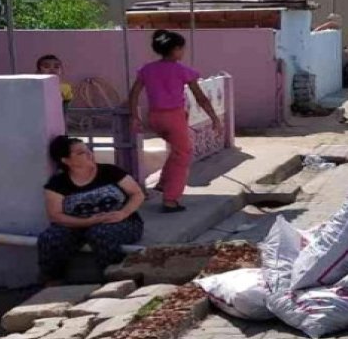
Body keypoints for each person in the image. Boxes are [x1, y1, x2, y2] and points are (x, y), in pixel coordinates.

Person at [128, 29, 223, 213]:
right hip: (174, 116)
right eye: (182, 49)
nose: (183, 52)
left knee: (177, 152)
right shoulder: (182, 70)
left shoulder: (147, 69)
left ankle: (164, 183)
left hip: (155, 117)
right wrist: (214, 118)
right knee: (183, 155)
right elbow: (201, 98)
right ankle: (171, 199)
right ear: (176, 49)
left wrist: (135, 116)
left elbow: (134, 94)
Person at [38, 135, 145, 284]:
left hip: (120, 222)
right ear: (66, 160)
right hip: (78, 225)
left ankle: (116, 279)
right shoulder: (58, 183)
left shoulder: (110, 172)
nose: (89, 153)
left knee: (101, 234)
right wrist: (87, 221)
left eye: (87, 149)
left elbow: (137, 194)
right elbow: (56, 216)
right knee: (50, 237)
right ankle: (53, 281)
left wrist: (123, 213)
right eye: (81, 153)